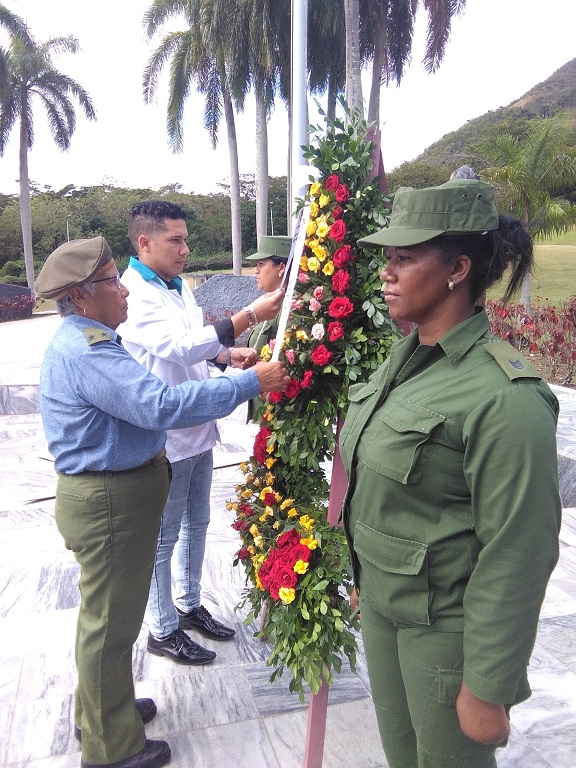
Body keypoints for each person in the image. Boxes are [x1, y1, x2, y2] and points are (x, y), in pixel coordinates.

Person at [34, 236, 289, 768]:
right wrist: (249, 382)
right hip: (108, 499)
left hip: (112, 492)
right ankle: (111, 748)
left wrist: (225, 360)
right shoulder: (89, 350)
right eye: (111, 281)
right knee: (111, 626)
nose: (123, 290)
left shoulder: (92, 339)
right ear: (79, 296)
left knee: (108, 619)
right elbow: (160, 404)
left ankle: (102, 710)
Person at [339, 179, 562, 768]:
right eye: (387, 258)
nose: (386, 273)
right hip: (386, 607)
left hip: (445, 633)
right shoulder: (406, 361)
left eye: (404, 258)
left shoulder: (505, 396)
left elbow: (519, 549)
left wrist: (488, 684)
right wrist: (367, 576)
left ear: (458, 270)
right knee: (403, 755)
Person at [117, 201, 286, 667]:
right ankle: (162, 628)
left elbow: (195, 343)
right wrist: (247, 317)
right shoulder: (135, 293)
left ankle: (189, 605)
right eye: (175, 240)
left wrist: (225, 356)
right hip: (166, 438)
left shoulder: (177, 287)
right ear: (145, 243)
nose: (185, 249)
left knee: (197, 522)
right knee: (163, 536)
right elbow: (174, 347)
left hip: (197, 427)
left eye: (186, 240)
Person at [244, 234, 292, 353]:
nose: (256, 271)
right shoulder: (271, 300)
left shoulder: (289, 306)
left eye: (261, 264)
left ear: (281, 267)